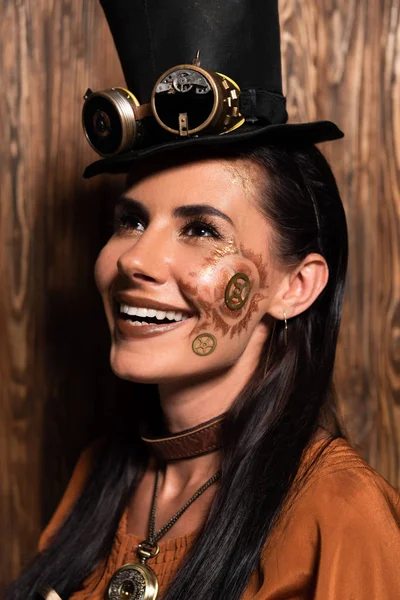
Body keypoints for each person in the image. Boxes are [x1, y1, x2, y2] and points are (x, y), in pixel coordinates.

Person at [7, 1, 400, 599]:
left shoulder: (341, 511)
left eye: (200, 230)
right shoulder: (99, 478)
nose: (134, 260)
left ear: (295, 287)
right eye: (131, 220)